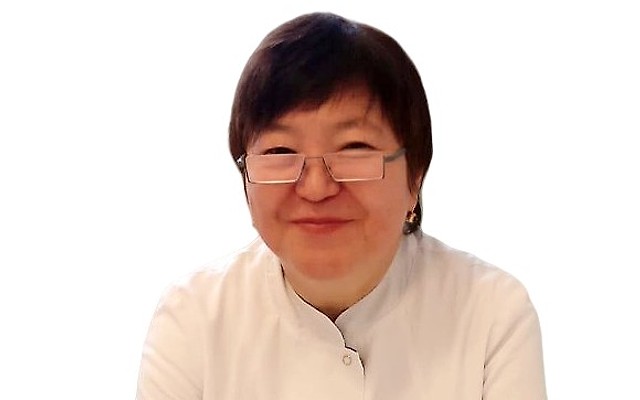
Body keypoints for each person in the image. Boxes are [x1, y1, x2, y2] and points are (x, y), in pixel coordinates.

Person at [136, 12, 547, 400]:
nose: (316, 187)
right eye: (280, 151)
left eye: (354, 149)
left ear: (415, 176)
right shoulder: (193, 318)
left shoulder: (491, 312)